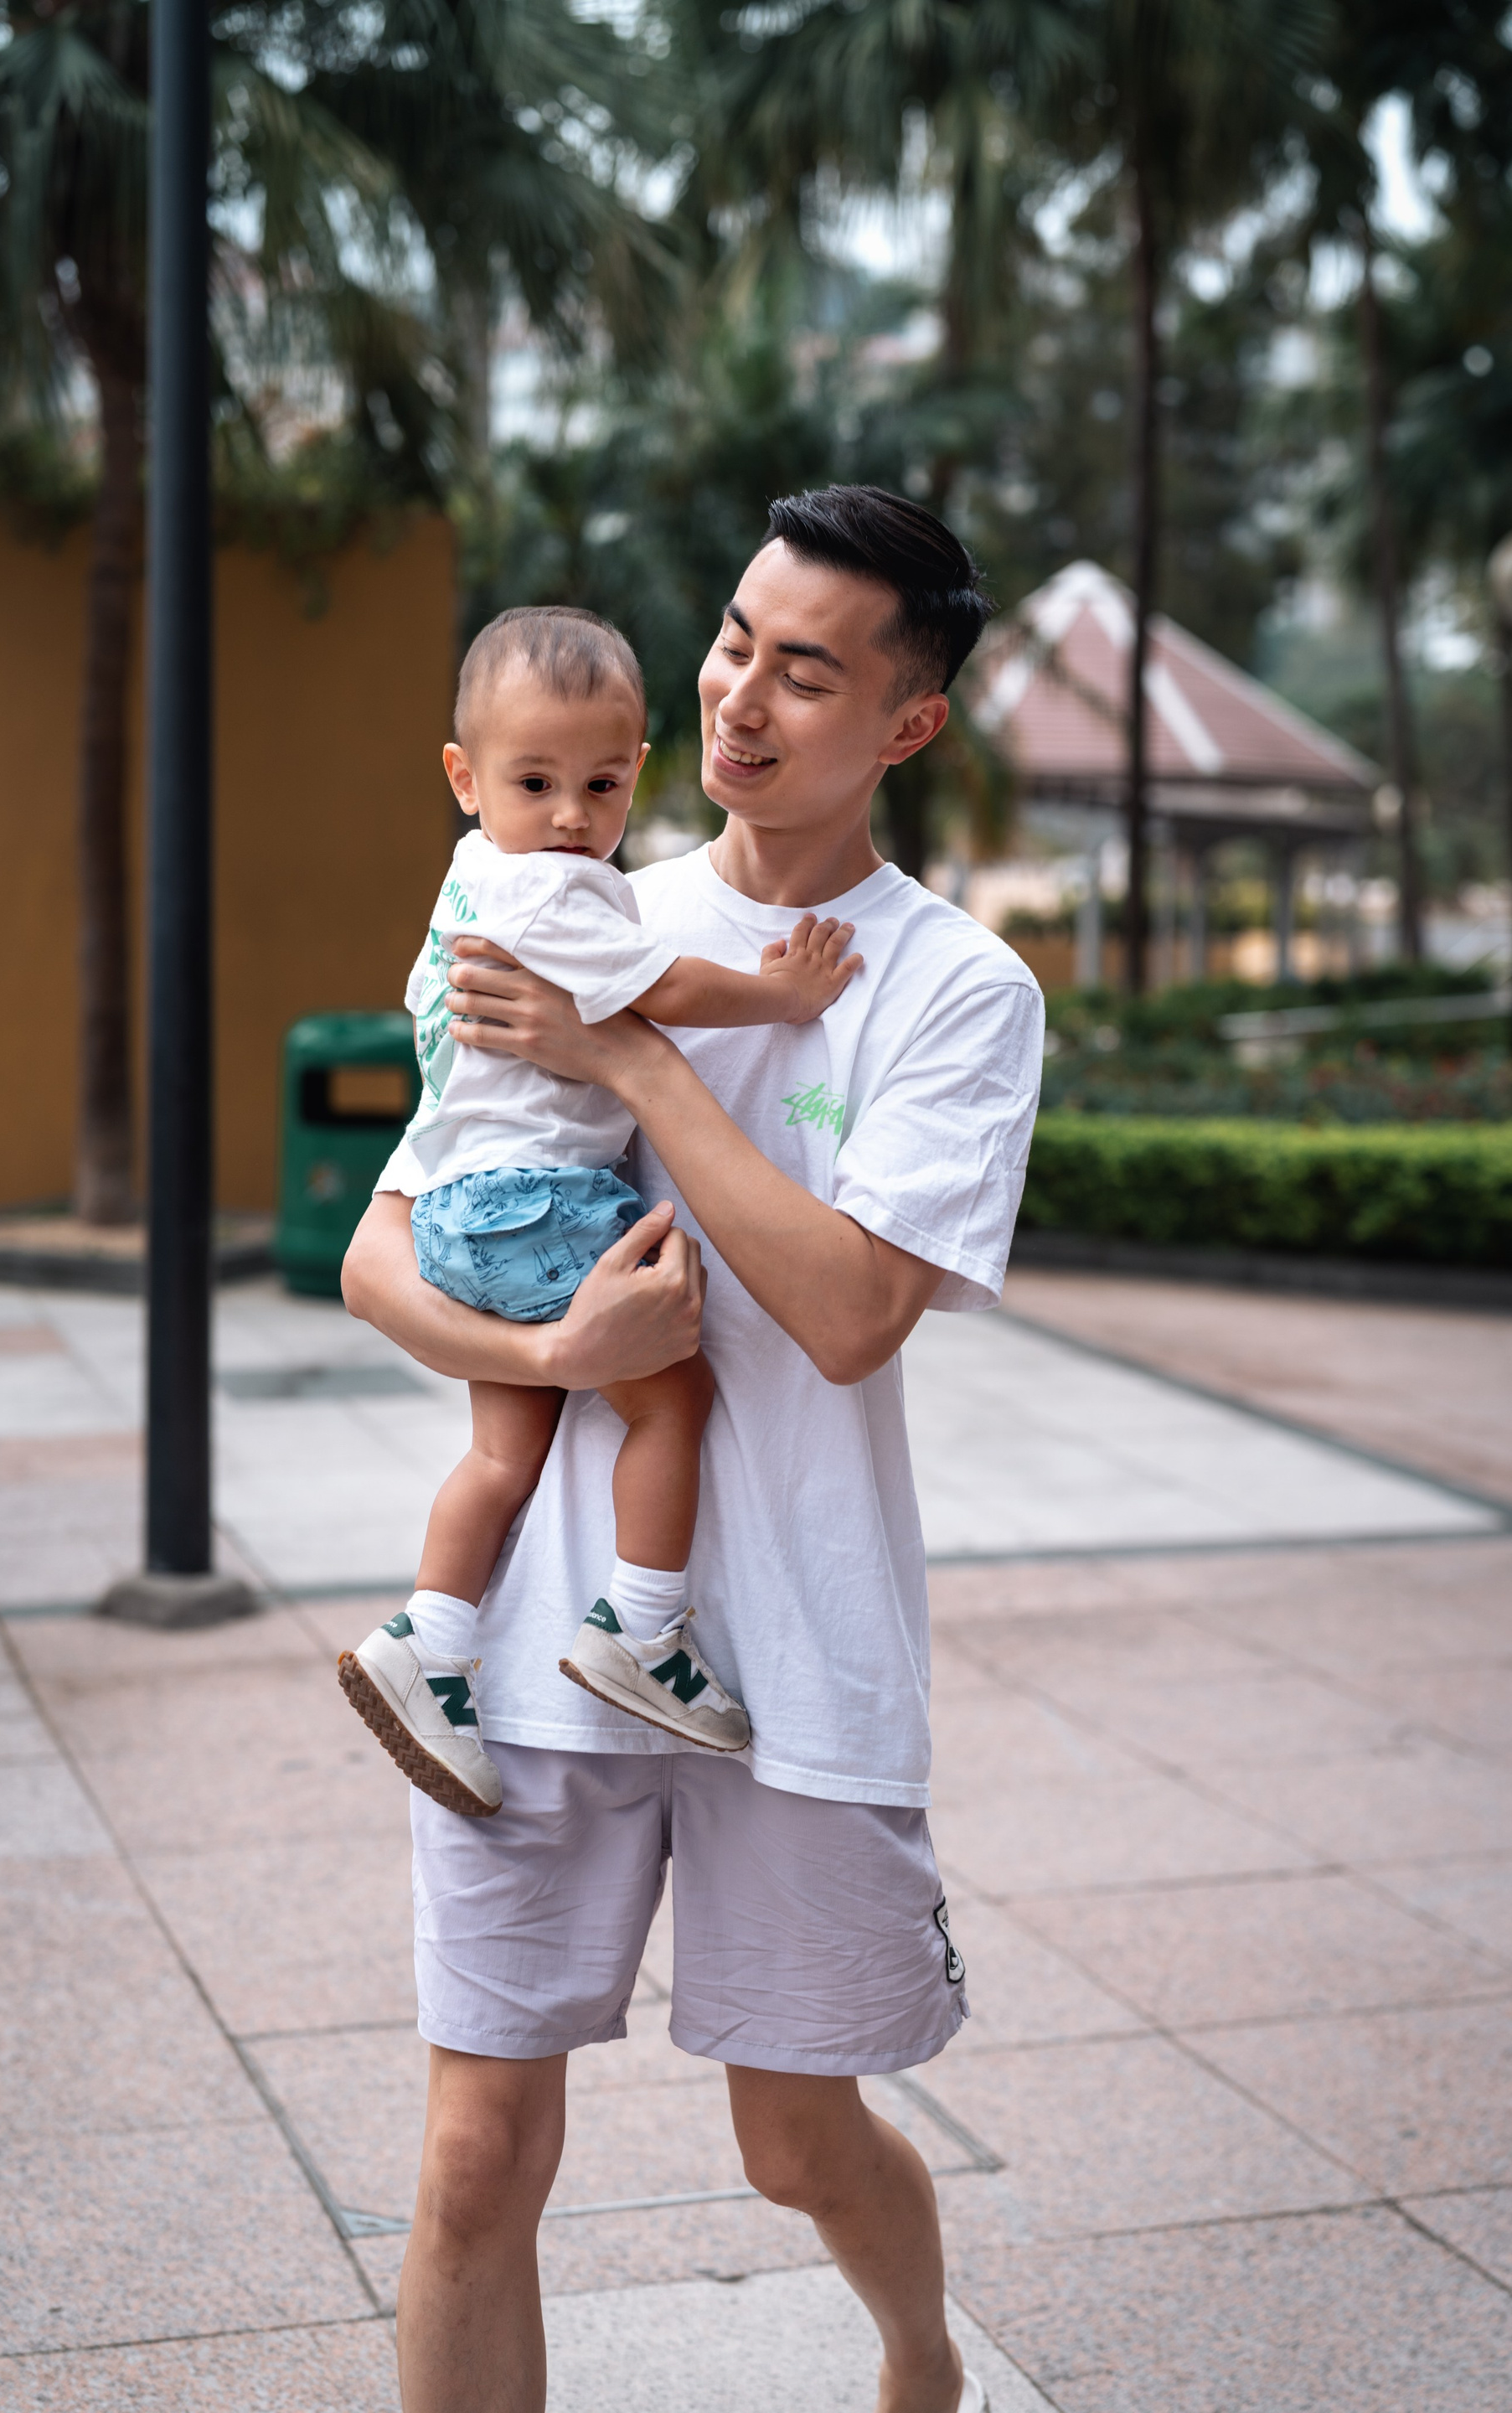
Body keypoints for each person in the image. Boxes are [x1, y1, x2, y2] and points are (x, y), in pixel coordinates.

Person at [342, 484, 1044, 2413]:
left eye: (805, 671)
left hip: (793, 1661)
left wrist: (630, 1054)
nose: (740, 696)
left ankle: (921, 2355)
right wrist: (551, 1352)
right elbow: (381, 1258)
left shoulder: (955, 990)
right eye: (735, 641)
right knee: (474, 2161)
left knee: (796, 2144)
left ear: (907, 722)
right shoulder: (560, 888)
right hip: (535, 1657)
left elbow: (849, 1311)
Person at [337, 602, 862, 1815]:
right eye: (536, 783)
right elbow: (662, 988)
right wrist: (782, 997)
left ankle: (429, 1641)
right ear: (464, 777)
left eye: (602, 785)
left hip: (457, 1210)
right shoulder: (558, 893)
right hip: (538, 1202)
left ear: (637, 770)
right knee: (673, 1398)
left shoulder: (471, 879)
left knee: (501, 1453)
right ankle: (642, 1624)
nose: (573, 817)